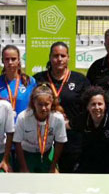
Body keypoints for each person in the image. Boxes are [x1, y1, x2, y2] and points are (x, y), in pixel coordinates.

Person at [33, 42, 89, 173]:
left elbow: (87, 109)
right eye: (55, 55)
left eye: (62, 56)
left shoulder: (80, 80)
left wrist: (72, 123)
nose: (59, 59)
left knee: (69, 177)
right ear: (50, 57)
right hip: (45, 136)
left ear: (68, 58)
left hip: (72, 139)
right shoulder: (38, 79)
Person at [13, 85, 68, 173]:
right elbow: (17, 142)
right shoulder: (23, 117)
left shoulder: (58, 118)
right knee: (24, 179)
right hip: (26, 153)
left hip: (47, 152)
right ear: (33, 103)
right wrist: (24, 167)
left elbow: (60, 142)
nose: (43, 108)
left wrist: (53, 167)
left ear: (52, 103)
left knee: (54, 178)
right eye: (39, 104)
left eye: (46, 104)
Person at [75, 86, 109, 174]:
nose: (97, 107)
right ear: (87, 106)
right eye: (93, 104)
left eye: (100, 104)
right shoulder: (83, 119)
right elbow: (68, 125)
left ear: (105, 106)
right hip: (87, 168)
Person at [0, 45, 36, 119]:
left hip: (23, 126)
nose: (10, 62)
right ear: (2, 61)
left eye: (13, 59)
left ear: (18, 60)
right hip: (2, 127)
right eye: (7, 59)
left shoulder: (30, 81)